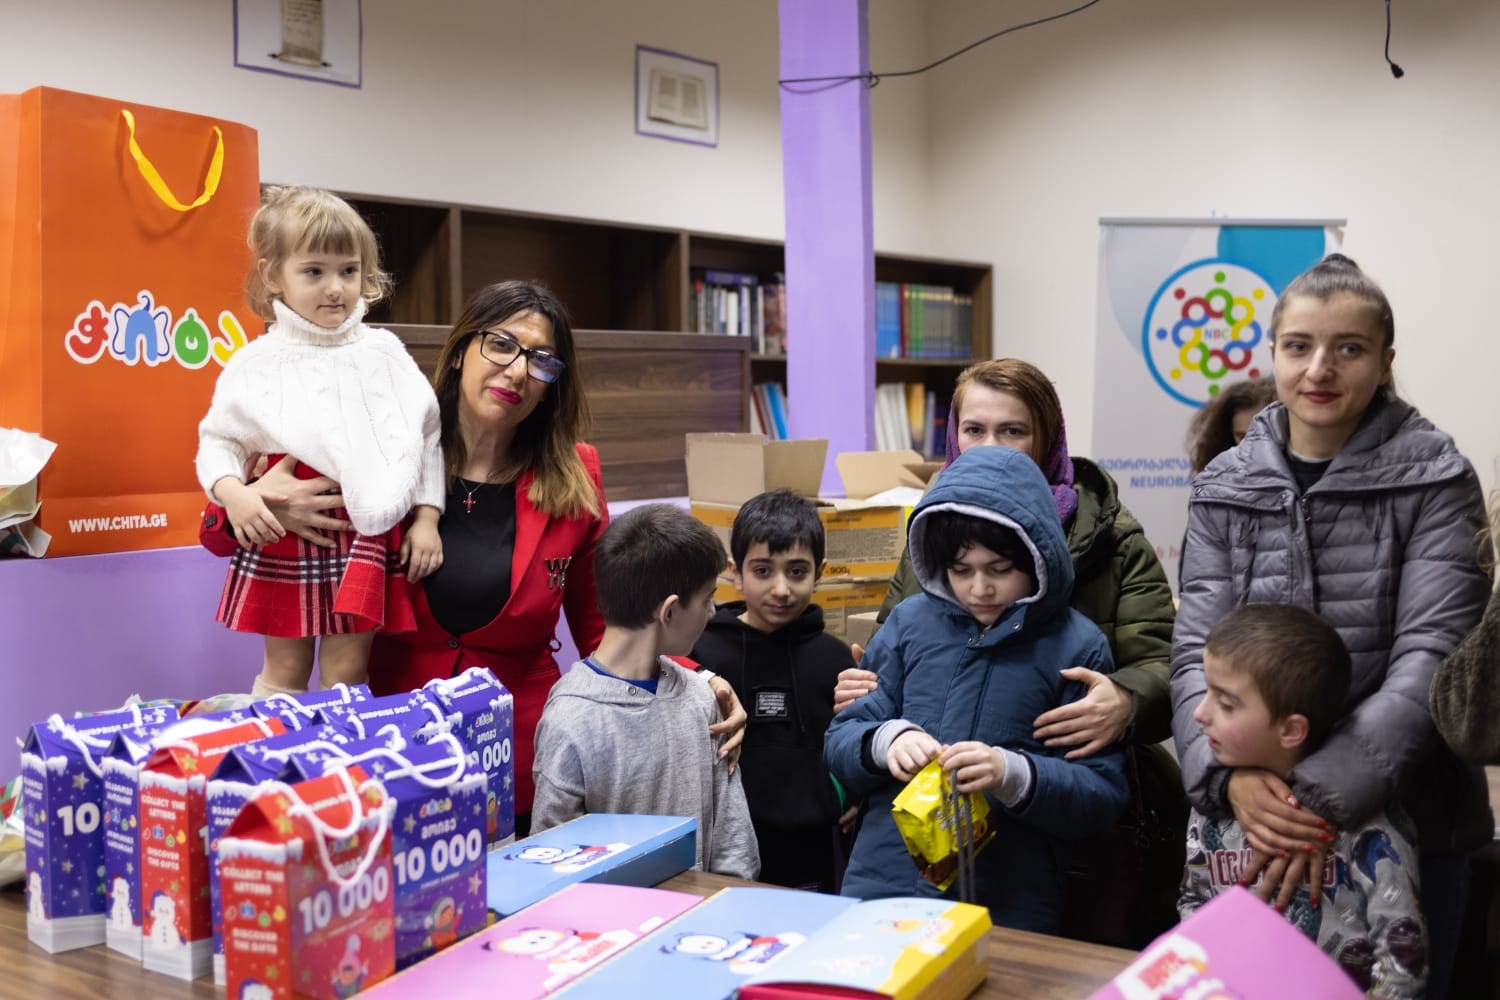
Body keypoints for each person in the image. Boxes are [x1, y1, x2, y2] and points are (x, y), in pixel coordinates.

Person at [216, 279, 747, 837]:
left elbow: (608, 624)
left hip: (518, 756)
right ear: (462, 349)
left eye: (542, 361)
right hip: (390, 752)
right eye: (501, 344)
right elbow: (223, 535)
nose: (517, 371)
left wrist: (695, 681)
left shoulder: (576, 474)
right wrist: (252, 505)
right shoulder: (381, 442)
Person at [1171, 253, 1491, 999]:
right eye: (1298, 346)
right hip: (1246, 820)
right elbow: (1197, 646)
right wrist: (1228, 775)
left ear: (1384, 362)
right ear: (1273, 353)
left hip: (1406, 822)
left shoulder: (1437, 476)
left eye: (1348, 348)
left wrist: (1311, 795)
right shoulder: (1225, 482)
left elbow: (1433, 655)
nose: (1320, 368)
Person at [835, 358, 1184, 944]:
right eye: (974, 430)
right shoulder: (935, 535)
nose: (979, 588)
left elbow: (1166, 664)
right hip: (892, 877)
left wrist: (1125, 698)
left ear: (1046, 436)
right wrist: (875, 724)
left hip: (1028, 863)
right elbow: (875, 698)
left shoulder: (1110, 555)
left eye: (1012, 430)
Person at [825, 445, 1128, 931]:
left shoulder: (1077, 645)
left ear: (1036, 557)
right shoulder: (908, 623)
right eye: (961, 570)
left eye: (999, 570)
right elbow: (842, 739)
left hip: (1007, 901)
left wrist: (1014, 774)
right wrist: (886, 742)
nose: (979, 589)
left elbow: (1101, 794)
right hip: (885, 889)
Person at [195, 186, 444, 698]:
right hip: (282, 531)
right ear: (273, 276)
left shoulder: (385, 353)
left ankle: (342, 771)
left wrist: (427, 517)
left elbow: (425, 438)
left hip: (363, 530)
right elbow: (217, 442)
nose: (335, 288)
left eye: (348, 270)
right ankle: (275, 767)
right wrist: (236, 493)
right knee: (283, 669)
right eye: (314, 271)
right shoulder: (256, 361)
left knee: (348, 669)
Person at [1180, 603, 1426, 999]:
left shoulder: (1368, 824)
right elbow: (1194, 901)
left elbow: (1402, 955)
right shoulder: (1214, 803)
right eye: (1206, 692)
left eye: (1225, 703)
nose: (1199, 713)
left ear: (1292, 729)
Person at [530, 504, 760, 880]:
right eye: (706, 600)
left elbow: (733, 844)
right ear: (669, 613)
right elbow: (551, 866)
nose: (713, 611)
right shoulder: (572, 720)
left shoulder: (701, 699)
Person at [688, 489, 858, 893]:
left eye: (797, 572)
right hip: (721, 849)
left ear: (821, 571)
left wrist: (854, 793)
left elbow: (852, 744)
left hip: (811, 850)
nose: (781, 589)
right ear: (734, 572)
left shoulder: (836, 660)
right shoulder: (700, 654)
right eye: (763, 571)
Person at [1185, 375, 1278, 477]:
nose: (1249, 445)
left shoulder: (1295, 476)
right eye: (1241, 436)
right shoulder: (1217, 480)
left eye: (1259, 435)